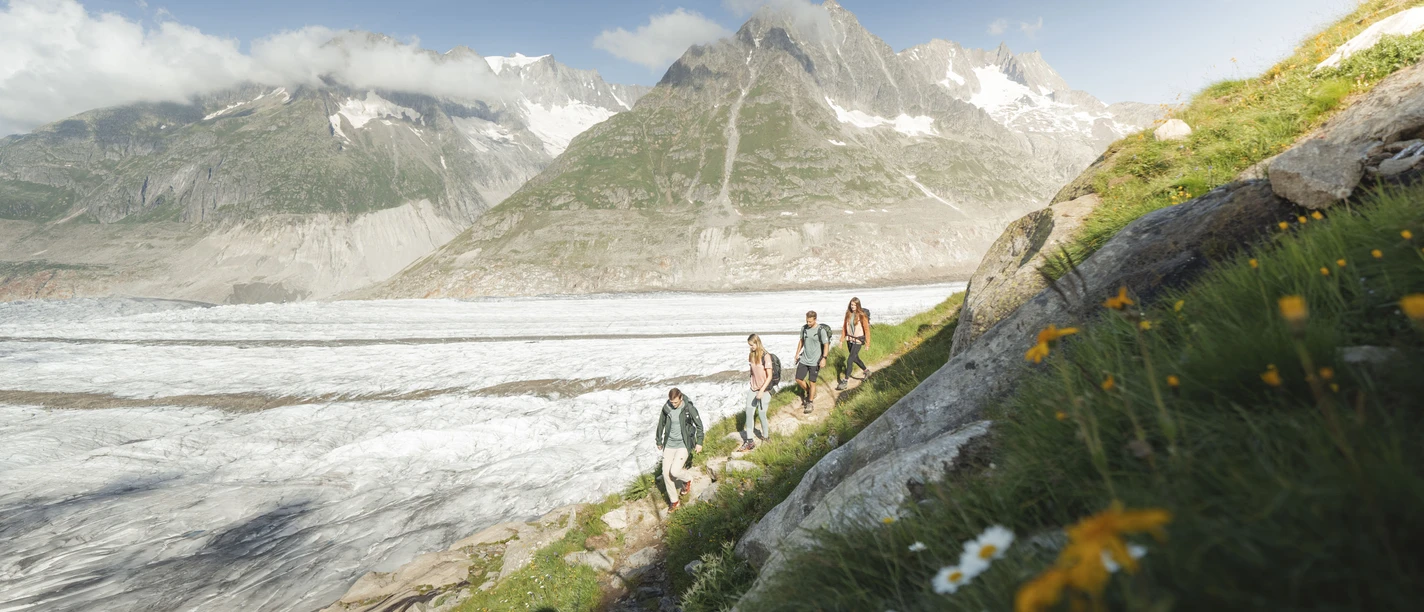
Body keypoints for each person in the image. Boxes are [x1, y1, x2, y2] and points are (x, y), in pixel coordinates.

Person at [655, 387, 704, 511]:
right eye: (672, 402)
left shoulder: (688, 408)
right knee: (666, 474)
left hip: (683, 444)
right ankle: (674, 501)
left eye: (676, 402)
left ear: (681, 398)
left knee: (674, 472)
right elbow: (661, 424)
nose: (674, 404)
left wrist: (699, 442)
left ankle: (687, 479)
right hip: (669, 445)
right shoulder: (667, 408)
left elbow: (699, 425)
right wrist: (659, 440)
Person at [740, 334, 774, 451]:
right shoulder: (751, 355)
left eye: (752, 345)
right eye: (749, 345)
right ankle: (749, 441)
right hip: (753, 389)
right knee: (749, 413)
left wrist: (761, 391)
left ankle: (766, 437)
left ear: (757, 342)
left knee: (762, 414)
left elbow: (769, 376)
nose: (751, 347)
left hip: (764, 390)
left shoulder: (766, 356)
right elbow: (752, 372)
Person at [794, 310, 831, 414]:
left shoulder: (821, 330)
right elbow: (801, 341)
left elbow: (826, 345)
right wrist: (797, 354)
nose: (808, 323)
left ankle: (810, 402)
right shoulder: (804, 328)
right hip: (804, 359)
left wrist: (824, 358)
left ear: (815, 319)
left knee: (812, 381)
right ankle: (810, 392)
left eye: (810, 321)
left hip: (815, 361)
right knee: (798, 379)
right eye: (807, 321)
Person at [836, 297, 872, 391]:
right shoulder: (848, 314)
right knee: (855, 358)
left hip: (858, 340)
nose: (852, 306)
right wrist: (841, 340)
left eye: (854, 305)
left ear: (858, 305)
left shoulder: (862, 315)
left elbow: (867, 330)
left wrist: (867, 344)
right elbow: (844, 328)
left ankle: (845, 381)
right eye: (851, 305)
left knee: (849, 360)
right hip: (849, 340)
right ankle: (867, 371)